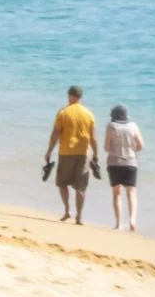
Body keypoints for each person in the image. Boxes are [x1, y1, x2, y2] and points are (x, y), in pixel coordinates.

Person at [44, 85, 99, 224]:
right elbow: (93, 138)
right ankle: (79, 216)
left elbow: (55, 134)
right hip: (83, 154)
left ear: (69, 95)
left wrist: (49, 151)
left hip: (66, 153)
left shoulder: (63, 113)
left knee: (62, 183)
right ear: (80, 97)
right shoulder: (89, 114)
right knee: (80, 187)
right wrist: (96, 154)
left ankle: (67, 211)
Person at [104, 104, 145, 231]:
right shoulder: (133, 126)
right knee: (131, 192)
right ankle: (132, 220)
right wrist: (133, 151)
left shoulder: (111, 126)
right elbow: (141, 145)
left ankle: (118, 224)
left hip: (114, 162)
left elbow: (106, 147)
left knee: (117, 193)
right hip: (130, 162)